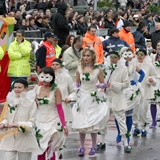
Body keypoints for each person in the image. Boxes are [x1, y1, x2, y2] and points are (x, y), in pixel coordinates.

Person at [72, 46, 109, 156]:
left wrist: (100, 86)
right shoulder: (79, 68)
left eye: (88, 55)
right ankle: (82, 146)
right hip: (82, 97)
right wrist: (75, 91)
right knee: (81, 123)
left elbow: (103, 84)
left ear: (93, 56)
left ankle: (93, 146)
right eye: (84, 55)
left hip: (93, 97)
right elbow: (77, 83)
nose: (86, 57)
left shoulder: (98, 69)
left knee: (93, 123)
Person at [34, 67, 68, 160]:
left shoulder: (56, 90)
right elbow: (34, 107)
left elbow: (59, 108)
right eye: (42, 76)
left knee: (50, 148)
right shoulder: (36, 89)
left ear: (52, 77)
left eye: (47, 77)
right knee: (40, 148)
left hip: (52, 120)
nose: (44, 80)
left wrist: (64, 125)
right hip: (39, 121)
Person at [0, 78, 39, 160]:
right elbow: (6, 118)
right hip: (10, 137)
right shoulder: (10, 101)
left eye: (19, 87)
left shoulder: (31, 103)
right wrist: (3, 123)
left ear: (26, 88)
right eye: (15, 87)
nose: (17, 90)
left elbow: (32, 123)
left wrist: (19, 124)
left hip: (25, 138)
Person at [114, 47, 145, 144]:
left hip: (130, 90)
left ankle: (127, 135)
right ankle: (119, 133)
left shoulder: (134, 64)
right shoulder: (118, 65)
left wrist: (138, 82)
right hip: (120, 90)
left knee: (128, 115)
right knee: (118, 114)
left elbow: (142, 73)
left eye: (130, 54)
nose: (128, 56)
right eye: (125, 54)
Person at [103, 50, 131, 153]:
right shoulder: (106, 68)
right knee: (103, 120)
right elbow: (101, 81)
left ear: (119, 58)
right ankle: (101, 141)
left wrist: (113, 85)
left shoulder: (123, 69)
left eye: (115, 57)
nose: (113, 59)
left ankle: (126, 143)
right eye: (111, 57)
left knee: (121, 121)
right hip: (107, 98)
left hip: (117, 97)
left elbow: (126, 84)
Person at [132, 49, 156, 136]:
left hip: (146, 90)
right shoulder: (133, 65)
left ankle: (143, 127)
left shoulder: (149, 66)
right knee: (134, 110)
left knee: (143, 110)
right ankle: (135, 127)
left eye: (142, 54)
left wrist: (151, 80)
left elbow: (154, 76)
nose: (140, 56)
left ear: (145, 56)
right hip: (134, 91)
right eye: (138, 54)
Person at [52, 58, 77, 125]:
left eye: (57, 64)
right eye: (53, 65)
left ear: (61, 66)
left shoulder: (67, 77)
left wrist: (70, 98)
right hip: (52, 106)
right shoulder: (49, 77)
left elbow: (74, 90)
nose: (54, 66)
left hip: (63, 105)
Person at [149, 41, 160, 128]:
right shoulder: (152, 56)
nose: (159, 47)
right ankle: (153, 121)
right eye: (158, 45)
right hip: (154, 80)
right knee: (153, 101)